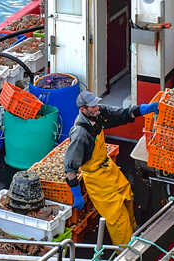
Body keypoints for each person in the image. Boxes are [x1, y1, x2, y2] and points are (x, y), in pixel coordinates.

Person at [64, 90, 159, 247]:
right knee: (116, 216)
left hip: (107, 166)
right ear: (83, 110)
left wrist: (145, 109)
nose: (97, 108)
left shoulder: (98, 114)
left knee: (127, 193)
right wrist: (76, 194)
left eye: (96, 104)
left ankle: (134, 231)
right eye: (92, 106)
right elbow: (69, 167)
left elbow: (122, 114)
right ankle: (125, 250)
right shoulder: (81, 133)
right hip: (96, 178)